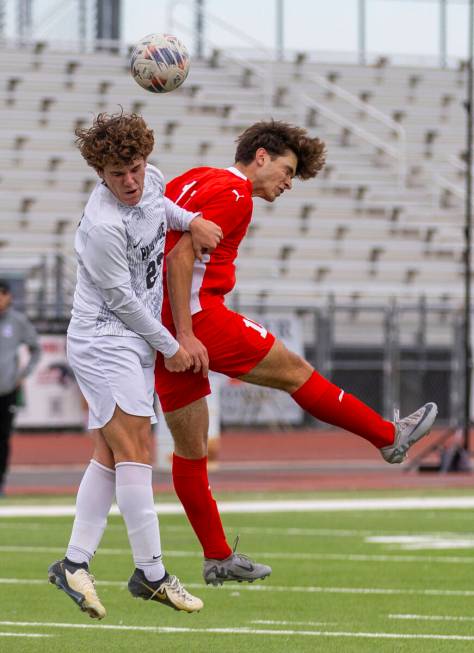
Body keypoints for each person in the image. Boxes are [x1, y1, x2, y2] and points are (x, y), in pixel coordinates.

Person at [153, 120, 439, 585]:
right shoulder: (235, 193)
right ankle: (387, 437)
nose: (288, 183)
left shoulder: (194, 176)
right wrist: (186, 334)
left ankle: (218, 556)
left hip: (156, 325)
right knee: (295, 371)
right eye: (287, 171)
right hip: (197, 317)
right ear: (261, 156)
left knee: (189, 449)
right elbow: (180, 257)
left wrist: (165, 335)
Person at [47, 111, 223, 619]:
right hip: (105, 340)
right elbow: (123, 301)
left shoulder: (153, 182)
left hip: (132, 341)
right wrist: (173, 346)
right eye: (118, 173)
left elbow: (159, 209)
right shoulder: (101, 225)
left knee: (109, 454)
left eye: (137, 168)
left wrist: (190, 220)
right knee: (139, 451)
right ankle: (151, 572)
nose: (130, 181)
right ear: (99, 172)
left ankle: (74, 562)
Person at [0, 279, 41, 496]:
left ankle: (1, 483)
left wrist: (22, 375)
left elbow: (36, 349)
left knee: (3, 438)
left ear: (8, 296)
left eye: (1, 294)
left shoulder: (17, 322)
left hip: (7, 391)